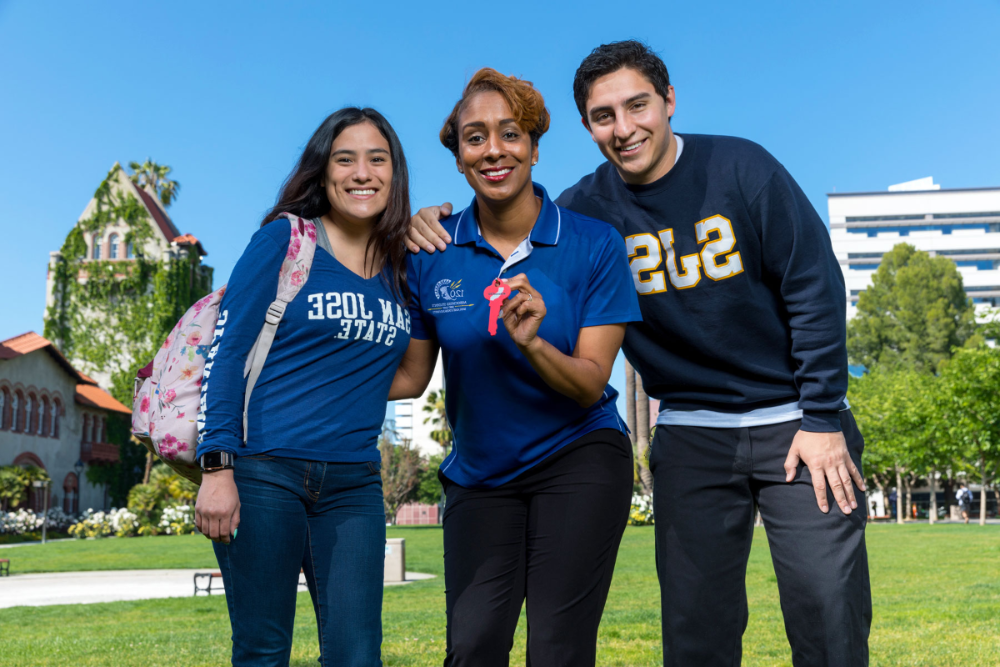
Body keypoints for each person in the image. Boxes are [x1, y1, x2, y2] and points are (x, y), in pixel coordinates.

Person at [408, 42, 870, 667]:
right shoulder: (585, 213)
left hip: (797, 423)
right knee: (696, 629)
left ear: (669, 100)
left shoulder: (742, 168)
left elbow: (813, 285)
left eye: (638, 106)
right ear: (586, 126)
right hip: (691, 431)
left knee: (826, 612)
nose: (624, 129)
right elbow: (510, 211)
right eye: (604, 116)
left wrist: (820, 417)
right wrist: (432, 220)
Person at [389, 68, 641, 667]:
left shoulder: (593, 243)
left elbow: (588, 384)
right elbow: (411, 377)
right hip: (480, 475)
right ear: (458, 158)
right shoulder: (431, 251)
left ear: (533, 146)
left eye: (510, 133)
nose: (494, 150)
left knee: (556, 648)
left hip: (579, 454)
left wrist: (532, 343)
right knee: (472, 645)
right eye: (475, 137)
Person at [195, 107, 413, 667]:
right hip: (264, 471)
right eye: (345, 159)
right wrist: (217, 467)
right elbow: (227, 356)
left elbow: (406, 377)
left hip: (354, 485)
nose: (362, 172)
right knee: (265, 650)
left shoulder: (401, 266)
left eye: (377, 159)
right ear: (323, 172)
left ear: (394, 173)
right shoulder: (284, 242)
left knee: (357, 655)